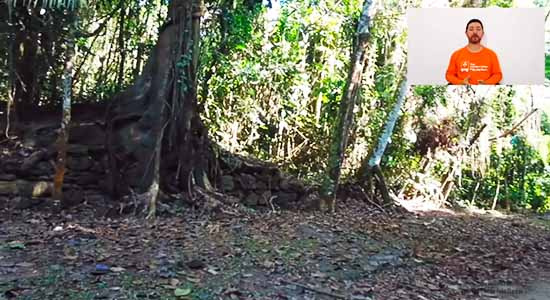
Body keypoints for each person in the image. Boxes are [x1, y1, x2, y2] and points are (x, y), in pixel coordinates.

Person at [445, 18, 502, 85]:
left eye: (478, 29)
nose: (475, 32)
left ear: (482, 33)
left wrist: (486, 83)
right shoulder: (456, 54)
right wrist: (461, 83)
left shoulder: (491, 54)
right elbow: (449, 75)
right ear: (466, 33)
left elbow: (498, 75)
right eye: (471, 29)